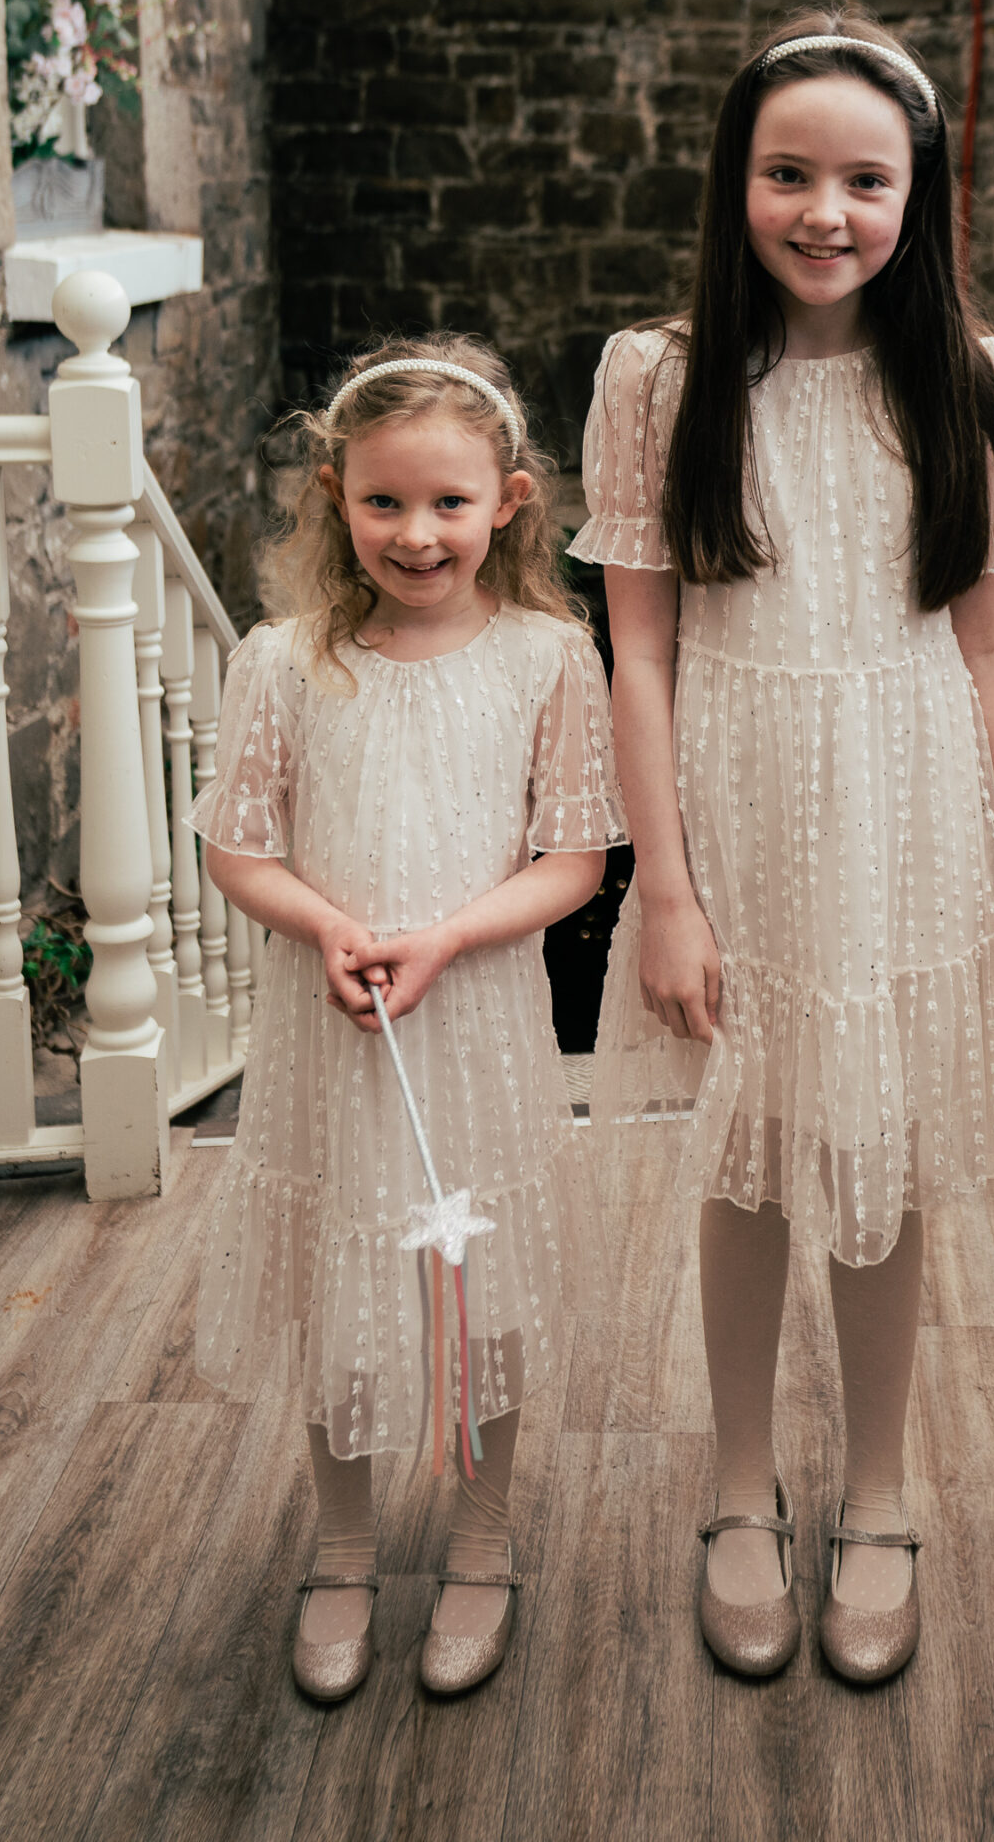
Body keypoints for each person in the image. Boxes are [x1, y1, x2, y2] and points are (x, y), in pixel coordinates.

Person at [574, 11, 994, 1685]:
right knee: (747, 1164)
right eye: (788, 173)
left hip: (903, 815)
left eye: (864, 179)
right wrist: (662, 891)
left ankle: (878, 1493)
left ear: (917, 193)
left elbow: (986, 651)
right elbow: (640, 655)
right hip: (733, 811)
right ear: (737, 182)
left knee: (876, 1167)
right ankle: (743, 1487)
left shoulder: (967, 377)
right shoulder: (657, 379)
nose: (825, 211)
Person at [191, 338, 623, 1704]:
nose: (417, 534)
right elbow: (237, 848)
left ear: (508, 499)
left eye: (447, 502)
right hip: (336, 1026)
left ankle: (483, 1546)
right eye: (384, 503)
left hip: (478, 1014)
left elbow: (574, 861)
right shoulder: (285, 662)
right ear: (333, 497)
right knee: (343, 1271)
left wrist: (442, 935)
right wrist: (326, 925)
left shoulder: (551, 657)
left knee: (474, 1277)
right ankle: (342, 1547)